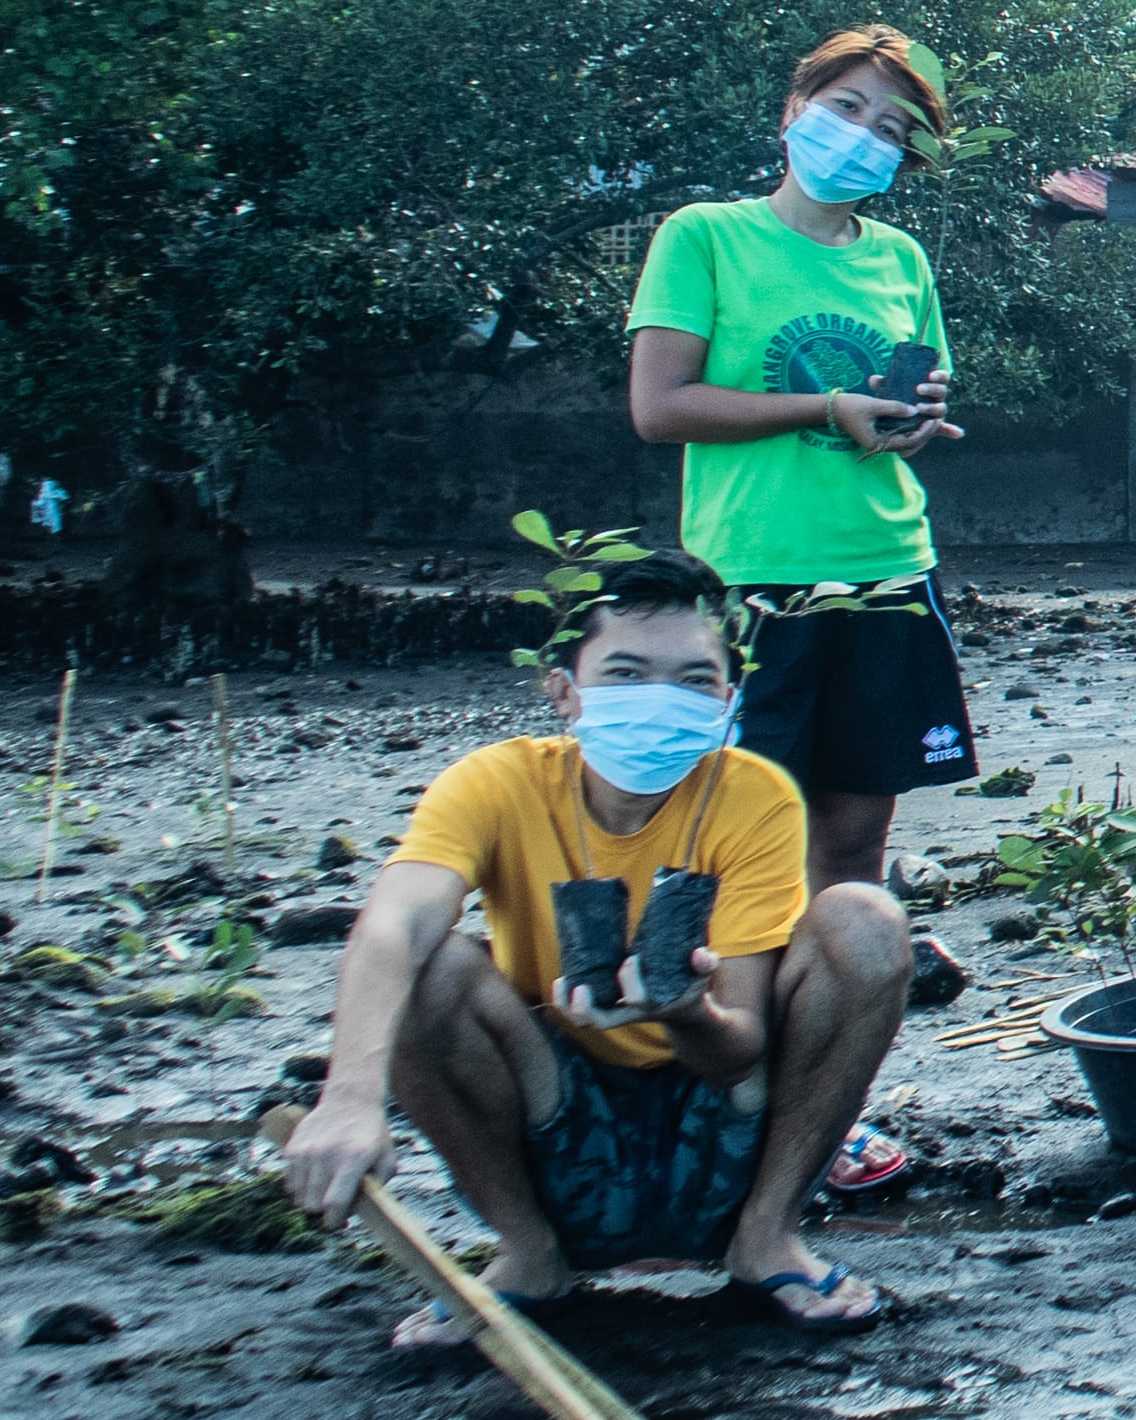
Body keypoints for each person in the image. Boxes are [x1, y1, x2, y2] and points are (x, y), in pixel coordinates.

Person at [280, 551, 904, 1340]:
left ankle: (766, 1235)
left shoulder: (754, 795)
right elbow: (393, 921)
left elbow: (737, 1049)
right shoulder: (495, 783)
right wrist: (348, 1099)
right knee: (429, 964)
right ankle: (529, 1251)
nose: (660, 701)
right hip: (555, 1104)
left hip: (723, 1114)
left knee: (863, 920)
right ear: (565, 693)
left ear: (728, 699)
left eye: (693, 681)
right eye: (626, 674)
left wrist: (686, 1014)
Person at [622, 22, 983, 1198]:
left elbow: (907, 403)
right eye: (848, 108)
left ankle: (827, 1114)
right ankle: (724, 1091)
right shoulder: (705, 237)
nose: (864, 138)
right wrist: (820, 406)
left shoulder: (902, 261)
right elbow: (660, 406)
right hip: (750, 588)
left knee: (852, 857)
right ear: (794, 107)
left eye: (892, 130)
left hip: (884, 571)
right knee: (727, 860)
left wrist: (913, 424)